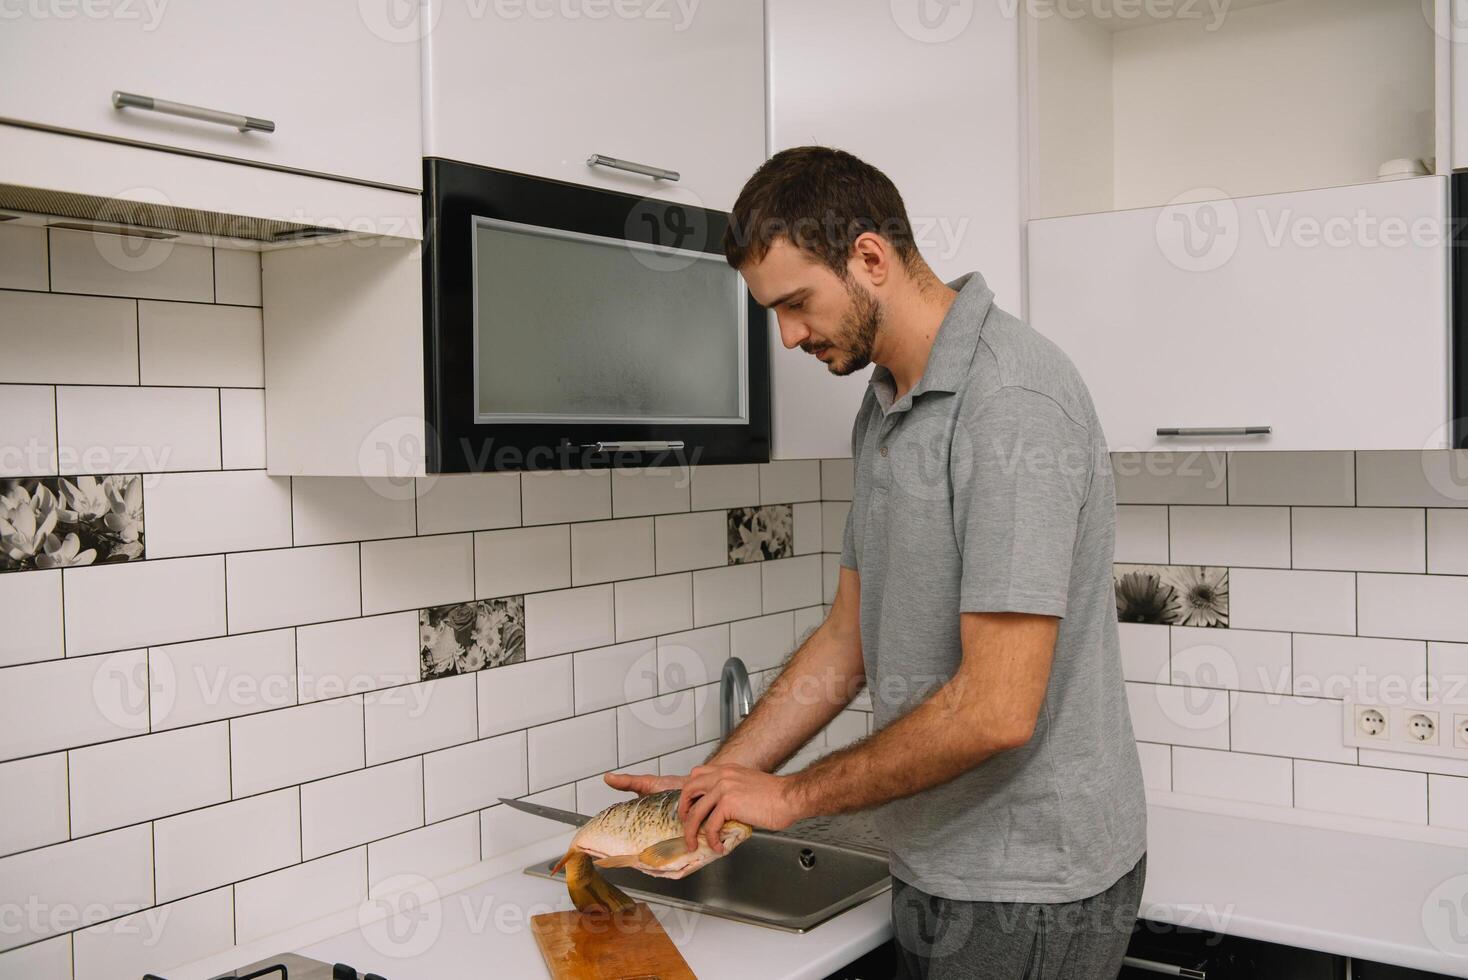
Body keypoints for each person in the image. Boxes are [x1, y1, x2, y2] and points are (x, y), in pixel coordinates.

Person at [606, 145, 1148, 979]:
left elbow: (997, 709)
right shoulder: (890, 399)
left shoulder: (1010, 405)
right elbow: (847, 638)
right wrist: (721, 779)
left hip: (1025, 883)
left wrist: (787, 798)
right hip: (936, 855)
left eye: (796, 303)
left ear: (869, 257)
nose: (786, 336)